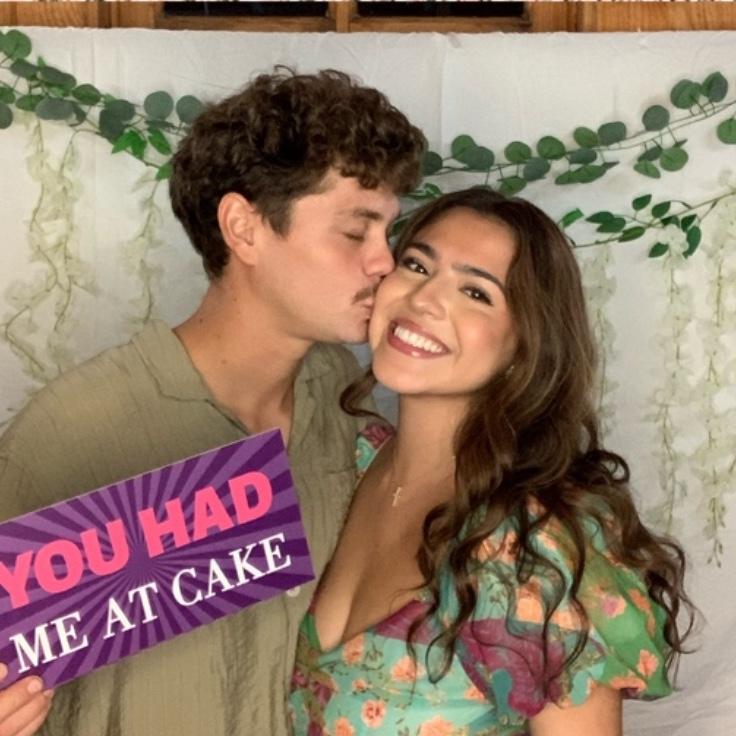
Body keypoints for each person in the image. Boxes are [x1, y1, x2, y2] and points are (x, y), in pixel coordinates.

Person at [0, 68, 425, 736]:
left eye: (388, 233)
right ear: (243, 228)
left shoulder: (337, 396)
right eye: (355, 232)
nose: (384, 263)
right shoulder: (75, 435)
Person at [289, 188, 694, 735]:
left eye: (476, 293)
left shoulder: (535, 545)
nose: (425, 300)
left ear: (524, 347)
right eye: (417, 265)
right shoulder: (345, 464)